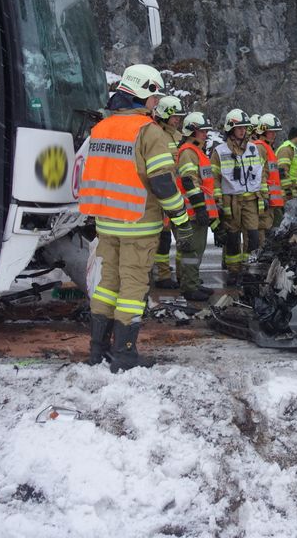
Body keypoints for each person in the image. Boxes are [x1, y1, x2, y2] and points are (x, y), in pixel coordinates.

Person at [79, 64, 192, 372]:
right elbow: (163, 183)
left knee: (107, 285)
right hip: (138, 224)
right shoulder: (149, 132)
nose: (157, 104)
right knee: (132, 288)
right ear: (144, 94)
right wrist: (181, 218)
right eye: (155, 98)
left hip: (106, 221)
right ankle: (125, 355)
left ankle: (97, 351)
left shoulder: (102, 128)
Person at [210, 108, 266, 281]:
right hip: (231, 200)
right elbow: (215, 178)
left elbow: (261, 173)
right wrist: (218, 201)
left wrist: (264, 194)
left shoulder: (254, 149)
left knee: (253, 237)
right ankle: (234, 271)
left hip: (251, 199)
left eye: (245, 128)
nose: (243, 131)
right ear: (230, 129)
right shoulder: (219, 151)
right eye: (239, 127)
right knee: (232, 238)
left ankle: (250, 269)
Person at [174, 112, 218, 301]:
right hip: (191, 212)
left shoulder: (196, 151)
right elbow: (189, 181)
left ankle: (193, 281)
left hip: (196, 210)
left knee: (196, 249)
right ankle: (189, 287)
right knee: (191, 250)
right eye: (202, 131)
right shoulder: (188, 152)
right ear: (192, 131)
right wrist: (200, 208)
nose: (206, 134)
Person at [150, 95, 185, 288]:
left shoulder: (179, 137)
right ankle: (162, 276)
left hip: (179, 196)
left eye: (179, 117)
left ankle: (183, 276)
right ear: (164, 115)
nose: (177, 120)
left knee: (182, 237)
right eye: (174, 117)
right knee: (162, 239)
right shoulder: (155, 134)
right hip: (161, 196)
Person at [253, 113, 287, 229]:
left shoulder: (268, 148)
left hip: (273, 201)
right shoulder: (260, 147)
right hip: (267, 199)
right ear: (263, 131)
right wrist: (264, 197)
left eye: (275, 132)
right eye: (271, 132)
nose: (274, 135)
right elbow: (259, 173)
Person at [275, 127, 297, 198]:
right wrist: (288, 191)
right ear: (296, 136)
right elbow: (282, 170)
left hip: (294, 191)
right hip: (286, 193)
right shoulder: (286, 149)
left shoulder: (296, 150)